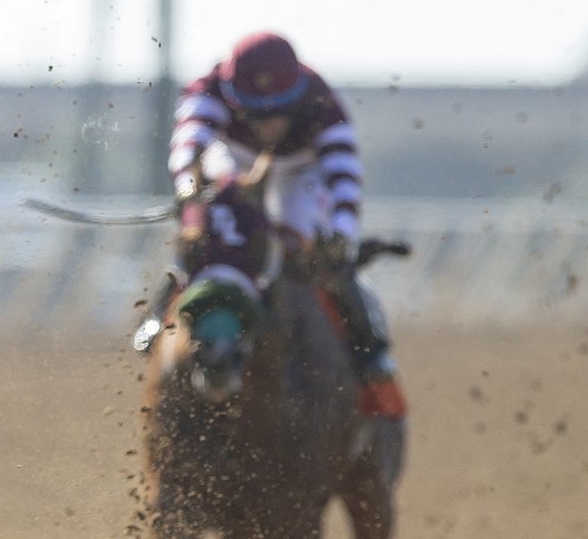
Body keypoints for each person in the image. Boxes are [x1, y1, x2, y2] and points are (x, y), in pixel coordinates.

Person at [140, 31, 404, 420]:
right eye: (254, 112)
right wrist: (188, 187)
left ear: (296, 97)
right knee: (216, 233)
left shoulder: (323, 103)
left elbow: (344, 177)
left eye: (278, 111)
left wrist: (342, 236)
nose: (268, 123)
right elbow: (188, 141)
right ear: (232, 97)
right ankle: (160, 309)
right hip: (233, 157)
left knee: (313, 250)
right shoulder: (207, 89)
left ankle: (369, 349)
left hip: (299, 170)